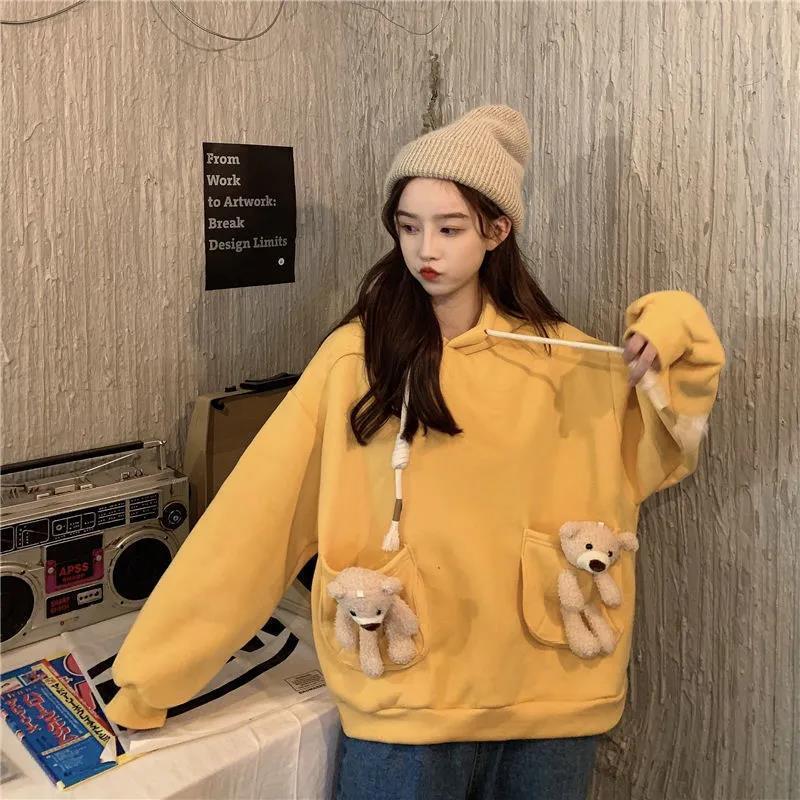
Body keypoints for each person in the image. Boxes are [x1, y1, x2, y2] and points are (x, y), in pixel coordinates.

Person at [105, 105, 725, 799]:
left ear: (497, 230)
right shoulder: (355, 362)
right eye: (408, 226)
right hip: (404, 695)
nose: (425, 248)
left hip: (554, 693)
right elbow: (253, 526)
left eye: (450, 228)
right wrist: (150, 679)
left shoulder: (567, 362)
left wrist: (679, 335)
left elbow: (661, 454)